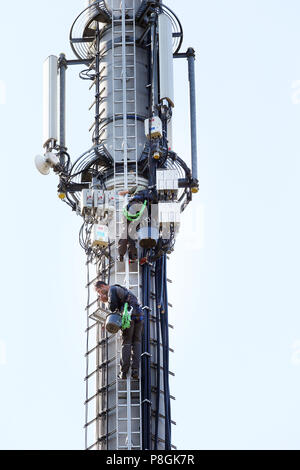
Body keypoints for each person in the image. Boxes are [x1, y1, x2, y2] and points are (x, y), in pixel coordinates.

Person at [94, 280, 144, 380]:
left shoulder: (112, 290)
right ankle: (135, 370)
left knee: (126, 343)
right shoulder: (122, 290)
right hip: (139, 316)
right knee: (137, 343)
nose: (99, 294)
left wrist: (105, 300)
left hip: (128, 318)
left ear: (103, 286)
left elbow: (113, 308)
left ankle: (124, 372)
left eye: (99, 291)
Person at [118, 185, 149, 262]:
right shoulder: (148, 194)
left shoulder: (137, 188)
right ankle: (133, 256)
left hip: (131, 208)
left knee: (125, 233)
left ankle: (121, 255)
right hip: (139, 212)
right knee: (132, 233)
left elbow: (125, 192)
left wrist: (120, 193)